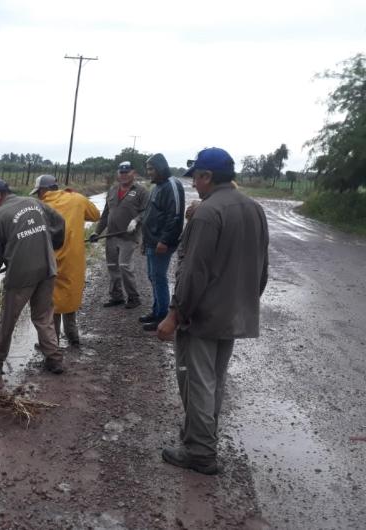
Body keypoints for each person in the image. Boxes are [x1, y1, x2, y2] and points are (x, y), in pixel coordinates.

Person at [156, 147, 269, 475]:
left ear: (207, 176)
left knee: (197, 380)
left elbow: (194, 272)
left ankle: (201, 452)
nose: (194, 185)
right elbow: (262, 267)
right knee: (214, 379)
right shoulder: (254, 209)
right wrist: (246, 302)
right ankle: (200, 434)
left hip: (204, 315)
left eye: (197, 178)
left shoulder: (207, 214)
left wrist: (175, 314)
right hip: (234, 313)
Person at [0, 179, 67, 375]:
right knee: (43, 316)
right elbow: (60, 222)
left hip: (21, 274)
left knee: (7, 320)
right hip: (48, 267)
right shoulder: (35, 203)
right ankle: (55, 360)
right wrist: (52, 246)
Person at [30, 174, 100, 345]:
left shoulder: (39, 206)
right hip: (73, 261)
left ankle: (52, 342)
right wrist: (75, 198)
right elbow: (95, 215)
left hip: (48, 260)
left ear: (44, 190)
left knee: (51, 301)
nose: (38, 195)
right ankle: (73, 337)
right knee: (70, 296)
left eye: (38, 192)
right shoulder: (77, 199)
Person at [89, 161, 149, 309]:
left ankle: (134, 298)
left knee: (124, 266)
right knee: (112, 267)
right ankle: (116, 297)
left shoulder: (141, 191)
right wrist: (97, 232)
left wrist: (136, 220)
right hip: (111, 236)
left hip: (129, 237)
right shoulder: (112, 190)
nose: (124, 175)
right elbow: (105, 214)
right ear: (118, 174)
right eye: (121, 173)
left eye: (127, 172)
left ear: (133, 173)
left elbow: (146, 211)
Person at [140, 153, 185, 332]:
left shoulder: (172, 185)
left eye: (151, 169)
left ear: (160, 167)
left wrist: (165, 240)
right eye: (148, 169)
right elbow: (150, 214)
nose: (149, 172)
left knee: (159, 278)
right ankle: (156, 310)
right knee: (153, 276)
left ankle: (162, 317)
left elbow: (175, 215)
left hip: (162, 242)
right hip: (151, 241)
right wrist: (145, 241)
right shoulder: (157, 187)